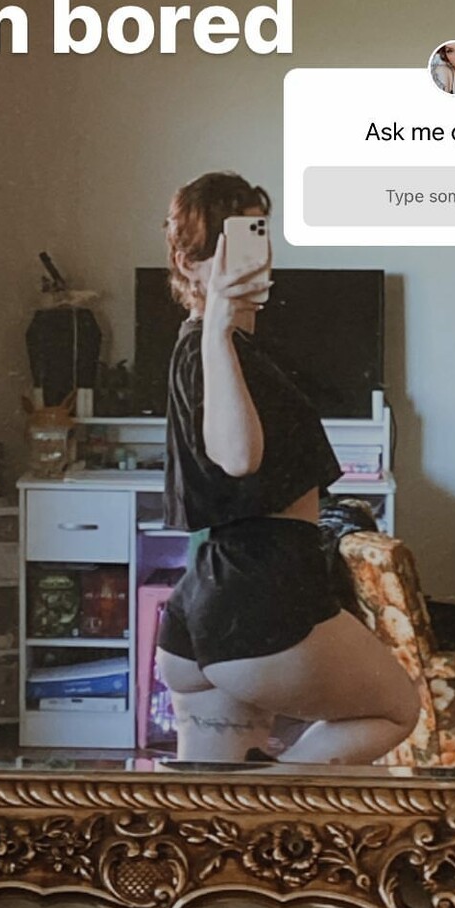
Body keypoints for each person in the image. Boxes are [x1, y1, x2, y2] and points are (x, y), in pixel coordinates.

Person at [155, 170, 420, 765]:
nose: (257, 254)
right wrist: (219, 322)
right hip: (264, 599)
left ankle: (256, 801)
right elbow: (238, 457)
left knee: (211, 808)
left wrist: (223, 326)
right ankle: (270, 797)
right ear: (186, 261)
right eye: (229, 243)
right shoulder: (209, 346)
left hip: (205, 603)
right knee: (395, 709)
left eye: (258, 233)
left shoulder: (217, 346)